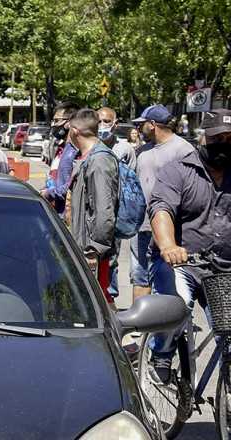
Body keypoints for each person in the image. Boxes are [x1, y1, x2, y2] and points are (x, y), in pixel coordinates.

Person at [146, 109, 231, 381]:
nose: (225, 144)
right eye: (220, 137)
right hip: (183, 263)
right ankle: (162, 351)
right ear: (204, 137)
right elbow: (161, 209)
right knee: (177, 308)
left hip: (224, 268)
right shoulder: (178, 171)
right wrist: (169, 245)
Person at [129, 105, 195, 302]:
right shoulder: (142, 151)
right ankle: (141, 328)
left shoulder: (184, 150)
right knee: (140, 277)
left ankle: (173, 329)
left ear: (153, 124)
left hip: (169, 229)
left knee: (169, 282)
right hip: (141, 227)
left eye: (142, 125)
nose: (139, 129)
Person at [67, 109, 120, 300]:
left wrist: (94, 251)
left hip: (94, 254)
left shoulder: (99, 160)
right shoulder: (88, 157)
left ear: (74, 131)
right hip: (85, 248)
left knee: (100, 303)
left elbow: (104, 210)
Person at [97, 106, 135, 300]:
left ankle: (110, 296)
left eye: (106, 121)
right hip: (95, 213)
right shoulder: (92, 146)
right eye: (99, 121)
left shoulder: (124, 149)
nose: (102, 126)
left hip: (115, 213)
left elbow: (131, 185)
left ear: (115, 124)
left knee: (111, 258)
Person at [41, 102, 81, 214]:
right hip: (55, 211)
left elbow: (70, 187)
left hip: (67, 215)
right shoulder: (61, 147)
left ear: (69, 123)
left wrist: (48, 193)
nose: (53, 125)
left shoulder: (76, 150)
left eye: (57, 120)